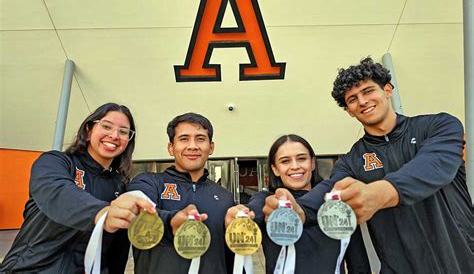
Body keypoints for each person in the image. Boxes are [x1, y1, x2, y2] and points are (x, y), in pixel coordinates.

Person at [263, 58, 474, 273]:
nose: (362, 101)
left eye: (368, 91)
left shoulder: (439, 126)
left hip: (460, 261)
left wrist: (379, 192)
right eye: (352, 99)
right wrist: (299, 210)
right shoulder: (352, 161)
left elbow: (434, 166)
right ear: (349, 111)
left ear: (388, 90)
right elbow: (328, 192)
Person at [0, 103, 155, 273]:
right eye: (106, 126)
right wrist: (101, 213)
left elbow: (116, 250)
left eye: (123, 132)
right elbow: (56, 193)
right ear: (89, 130)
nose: (114, 135)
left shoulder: (120, 186)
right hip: (29, 269)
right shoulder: (55, 162)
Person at [225, 134, 370, 273]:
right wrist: (241, 215)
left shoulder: (337, 203)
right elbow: (254, 211)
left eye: (301, 159)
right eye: (285, 161)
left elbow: (358, 262)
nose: (295, 166)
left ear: (313, 163)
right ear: (275, 169)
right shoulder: (268, 200)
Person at [128, 112, 234, 273]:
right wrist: (171, 222)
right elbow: (137, 214)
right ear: (171, 147)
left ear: (211, 147)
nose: (193, 146)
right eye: (184, 139)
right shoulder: (148, 183)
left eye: (200, 138)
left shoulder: (225, 196)